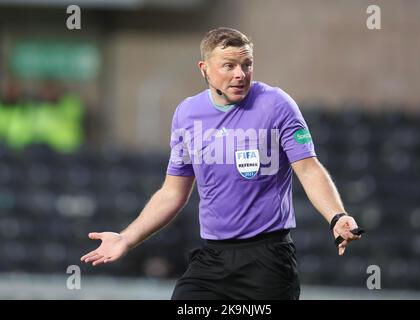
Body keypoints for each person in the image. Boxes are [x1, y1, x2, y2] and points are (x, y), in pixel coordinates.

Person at [81, 27, 363, 300]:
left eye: (247, 64)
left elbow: (308, 168)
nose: (241, 74)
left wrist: (337, 216)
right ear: (204, 69)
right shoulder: (187, 114)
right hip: (213, 260)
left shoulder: (276, 105)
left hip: (267, 261)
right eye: (229, 66)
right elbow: (172, 192)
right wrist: (126, 238)